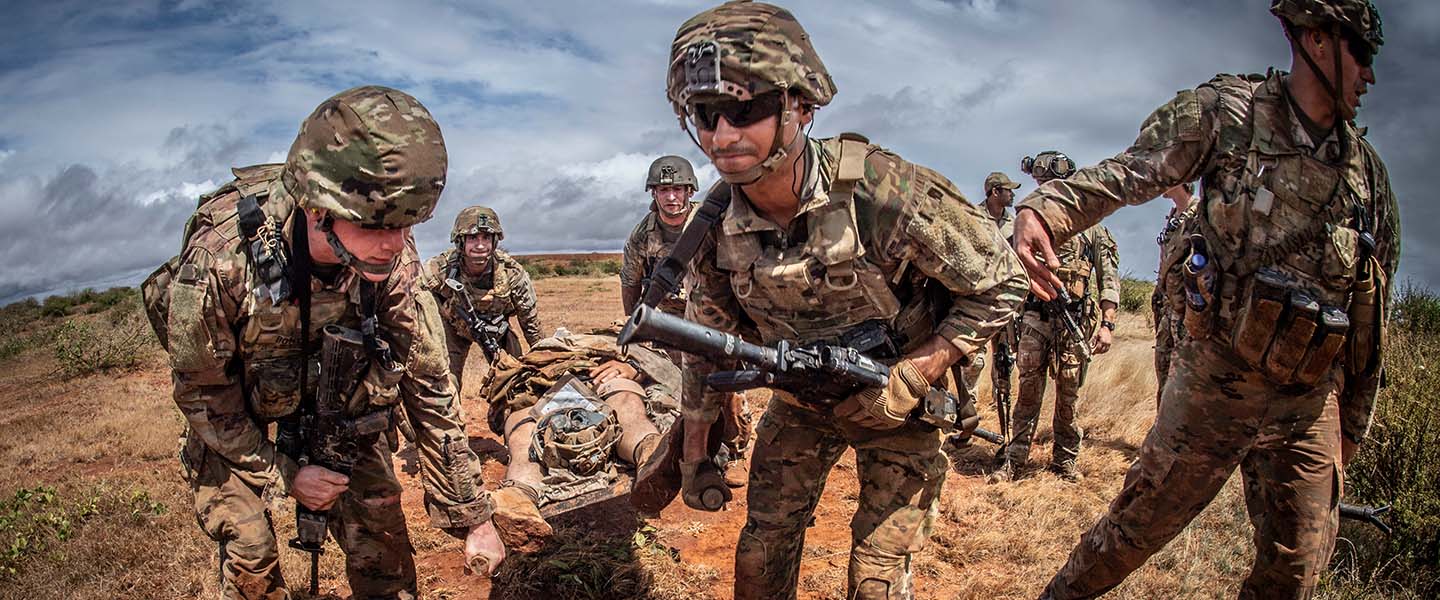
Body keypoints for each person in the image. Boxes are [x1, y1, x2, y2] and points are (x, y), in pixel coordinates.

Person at [1010, 1, 1396, 597]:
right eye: (1362, 55)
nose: (1370, 76)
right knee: (1135, 531)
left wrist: (1352, 425)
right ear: (1316, 40)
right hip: (1215, 385)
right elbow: (1131, 171)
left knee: (1296, 568)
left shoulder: (1366, 176)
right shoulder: (1227, 115)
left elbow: (1373, 317)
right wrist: (1049, 207)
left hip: (1308, 401)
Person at [663, 2, 1028, 598]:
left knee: (877, 580)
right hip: (800, 403)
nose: (722, 135)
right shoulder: (712, 227)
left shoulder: (886, 193)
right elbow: (703, 350)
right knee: (760, 556)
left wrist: (920, 369)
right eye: (704, 114)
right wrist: (695, 457)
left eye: (746, 108)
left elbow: (1002, 282)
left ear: (801, 106)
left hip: (897, 405)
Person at [140, 86, 519, 598]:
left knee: (385, 555)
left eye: (407, 224)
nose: (396, 243)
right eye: (377, 225)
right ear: (318, 208)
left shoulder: (393, 261)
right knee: (251, 560)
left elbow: (428, 387)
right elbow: (203, 396)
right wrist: (284, 474)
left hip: (341, 406)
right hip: (235, 421)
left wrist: (472, 516)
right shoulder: (221, 262)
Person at [472, 328, 681, 564]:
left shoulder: (620, 345)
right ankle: (518, 496)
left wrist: (633, 366)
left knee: (624, 404)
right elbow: (507, 392)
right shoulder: (539, 354)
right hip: (539, 383)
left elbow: (663, 368)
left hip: (596, 374)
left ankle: (651, 456)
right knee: (524, 432)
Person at [620, 155, 752, 487]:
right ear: (654, 194)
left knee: (730, 385)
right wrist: (635, 322)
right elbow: (630, 281)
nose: (671, 197)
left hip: (716, 319)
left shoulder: (713, 222)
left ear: (690, 190)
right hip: (672, 323)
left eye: (678, 189)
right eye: (664, 190)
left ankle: (735, 453)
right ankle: (698, 457)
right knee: (683, 389)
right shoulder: (642, 236)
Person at [995, 151, 1120, 483]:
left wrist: (1107, 324)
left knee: (1068, 391)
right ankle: (1014, 458)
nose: (1042, 190)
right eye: (1039, 185)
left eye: (1048, 184)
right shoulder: (1027, 226)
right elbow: (1008, 270)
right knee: (1028, 389)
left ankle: (1065, 461)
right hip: (1035, 317)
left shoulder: (1091, 228)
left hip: (1074, 319)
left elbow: (1108, 278)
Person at [420, 206, 543, 397]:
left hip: (496, 330)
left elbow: (530, 323)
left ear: (494, 241)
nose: (480, 245)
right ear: (460, 241)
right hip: (453, 329)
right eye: (472, 238)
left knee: (515, 383)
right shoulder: (439, 268)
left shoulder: (512, 273)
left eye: (486, 238)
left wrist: (545, 357)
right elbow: (413, 300)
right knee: (444, 386)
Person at [1151, 183, 1196, 408]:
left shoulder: (1199, 214)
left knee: (1184, 377)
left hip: (1188, 311)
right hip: (1167, 308)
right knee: (1163, 371)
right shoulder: (1172, 217)